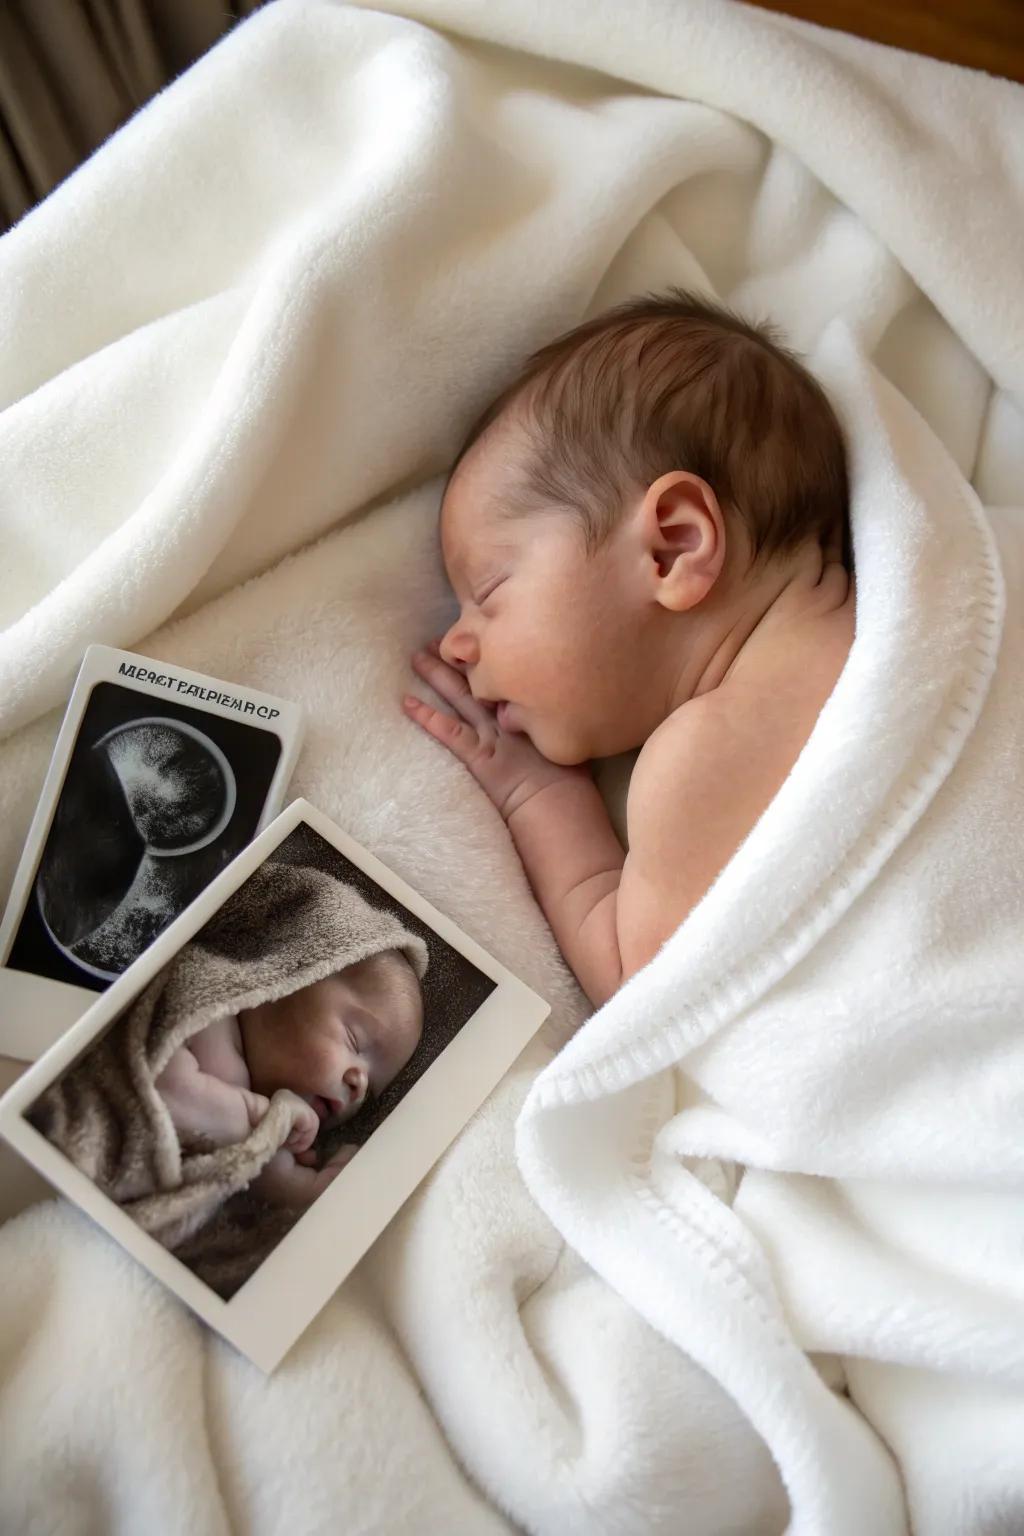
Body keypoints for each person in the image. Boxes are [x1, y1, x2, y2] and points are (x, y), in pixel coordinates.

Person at [404, 289, 854, 1007]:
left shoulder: (703, 756)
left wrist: (538, 794)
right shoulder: (878, 611)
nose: (457, 643)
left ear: (673, 547)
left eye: (488, 592)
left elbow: (639, 986)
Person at [154, 947, 425, 1206]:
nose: (360, 1084)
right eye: (354, 1041)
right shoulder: (209, 1007)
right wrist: (286, 1174)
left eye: (370, 1091)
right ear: (290, 980)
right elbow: (170, 1095)